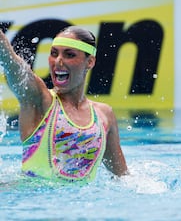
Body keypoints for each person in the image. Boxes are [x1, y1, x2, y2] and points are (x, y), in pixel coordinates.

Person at [0, 25, 128, 182]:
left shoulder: (103, 115)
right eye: (54, 53)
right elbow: (10, 61)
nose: (58, 61)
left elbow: (123, 178)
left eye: (69, 54)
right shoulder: (41, 102)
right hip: (33, 201)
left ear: (90, 62)